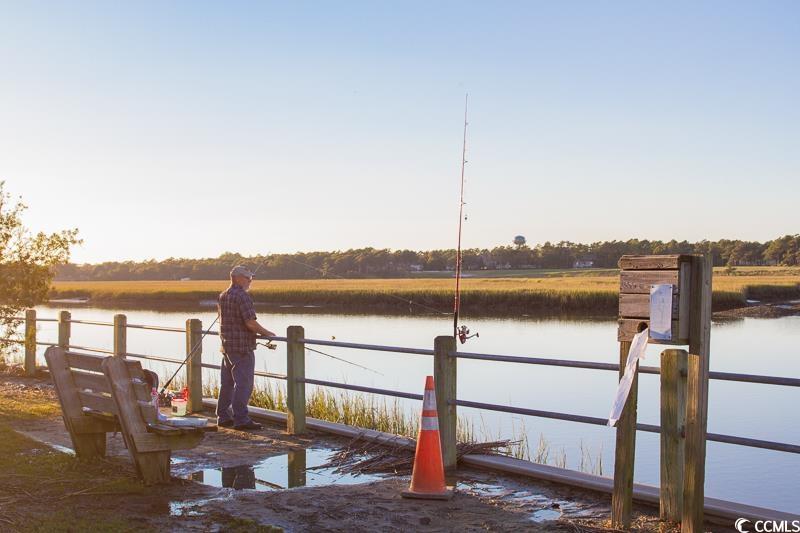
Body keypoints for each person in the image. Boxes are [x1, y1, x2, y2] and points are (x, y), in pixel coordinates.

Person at [217, 265, 275, 430]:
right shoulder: (242, 296)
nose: (250, 281)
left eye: (251, 278)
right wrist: (268, 333)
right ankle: (241, 419)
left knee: (227, 384)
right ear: (237, 278)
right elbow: (250, 322)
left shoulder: (223, 295)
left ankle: (223, 417)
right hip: (242, 348)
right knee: (244, 384)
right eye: (248, 278)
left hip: (226, 347)